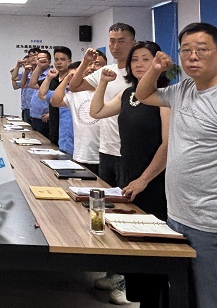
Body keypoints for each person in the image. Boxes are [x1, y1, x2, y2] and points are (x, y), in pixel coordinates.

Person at [135, 22, 217, 308]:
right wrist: (155, 69)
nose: (192, 56)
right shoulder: (183, 90)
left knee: (214, 303)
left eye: (201, 50)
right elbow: (143, 95)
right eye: (185, 50)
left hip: (214, 228)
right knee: (183, 298)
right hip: (178, 217)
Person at [90, 41, 171, 308]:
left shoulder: (165, 96)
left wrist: (145, 179)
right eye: (135, 59)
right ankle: (132, 287)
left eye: (145, 59)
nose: (138, 64)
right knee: (131, 240)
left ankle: (152, 299)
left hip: (154, 180)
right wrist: (103, 83)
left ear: (158, 62)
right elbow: (96, 111)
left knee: (150, 247)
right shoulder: (128, 94)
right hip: (129, 176)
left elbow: (168, 144)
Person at [68, 23, 137, 304]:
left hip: (129, 154)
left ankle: (126, 280)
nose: (116, 46)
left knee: (127, 216)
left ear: (133, 42)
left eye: (122, 40)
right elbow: (74, 86)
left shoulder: (138, 74)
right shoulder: (105, 71)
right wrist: (86, 62)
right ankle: (113, 271)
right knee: (104, 213)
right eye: (112, 41)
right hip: (105, 151)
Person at [49, 50, 107, 175]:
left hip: (104, 156)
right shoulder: (76, 92)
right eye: (89, 64)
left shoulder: (109, 91)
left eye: (97, 64)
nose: (92, 68)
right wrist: (67, 79)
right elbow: (55, 101)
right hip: (81, 154)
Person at [37, 46, 72, 145]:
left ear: (69, 61)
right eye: (56, 60)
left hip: (67, 128)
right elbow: (41, 95)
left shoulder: (72, 80)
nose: (59, 62)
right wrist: (49, 78)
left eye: (62, 59)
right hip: (54, 126)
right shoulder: (53, 77)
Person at [28, 49, 52, 137]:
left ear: (49, 62)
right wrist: (38, 66)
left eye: (43, 59)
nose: (40, 61)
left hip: (44, 118)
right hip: (34, 116)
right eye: (38, 59)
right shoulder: (36, 73)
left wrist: (51, 113)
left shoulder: (51, 75)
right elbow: (31, 85)